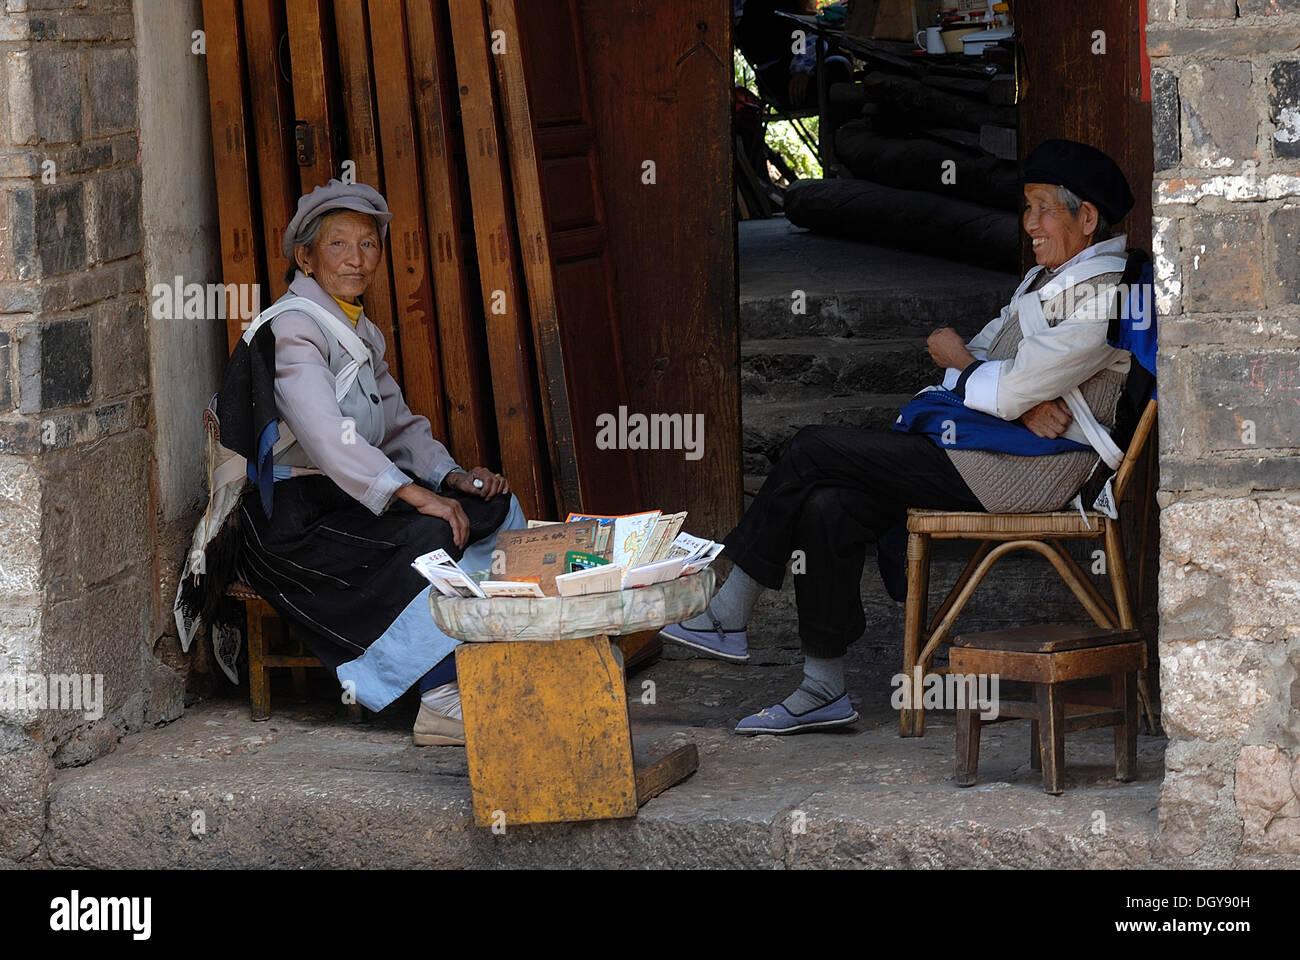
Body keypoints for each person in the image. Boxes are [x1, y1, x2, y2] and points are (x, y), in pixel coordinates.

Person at [661, 139, 1139, 736]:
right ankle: (823, 686)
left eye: (1044, 208)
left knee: (813, 447)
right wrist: (1003, 394)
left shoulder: (1107, 294)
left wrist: (984, 378)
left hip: (1032, 472)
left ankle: (730, 605)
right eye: (1028, 208)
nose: (1030, 224)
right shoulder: (1047, 279)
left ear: (1086, 217)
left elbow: (983, 371)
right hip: (995, 447)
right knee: (828, 502)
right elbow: (994, 378)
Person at [183, 179, 525, 747]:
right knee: (428, 538)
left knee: (491, 510)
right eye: (338, 245)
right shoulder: (291, 329)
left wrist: (451, 477)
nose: (356, 258)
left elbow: (397, 425)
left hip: (345, 499)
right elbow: (326, 438)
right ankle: (441, 697)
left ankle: (493, 653)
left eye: (368, 245)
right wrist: (417, 495)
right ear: (306, 258)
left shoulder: (359, 330)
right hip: (284, 521)